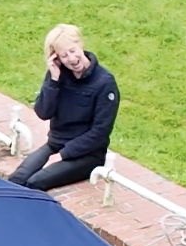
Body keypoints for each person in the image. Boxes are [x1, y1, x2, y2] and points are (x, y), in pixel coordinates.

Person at [8, 23, 119, 192]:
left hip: (86, 154)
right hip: (55, 144)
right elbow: (43, 112)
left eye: (73, 51)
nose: (72, 59)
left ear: (81, 44)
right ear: (56, 58)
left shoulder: (104, 82)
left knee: (35, 182)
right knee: (16, 180)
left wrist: (63, 155)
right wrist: (53, 80)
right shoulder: (58, 74)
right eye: (64, 56)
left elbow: (100, 132)